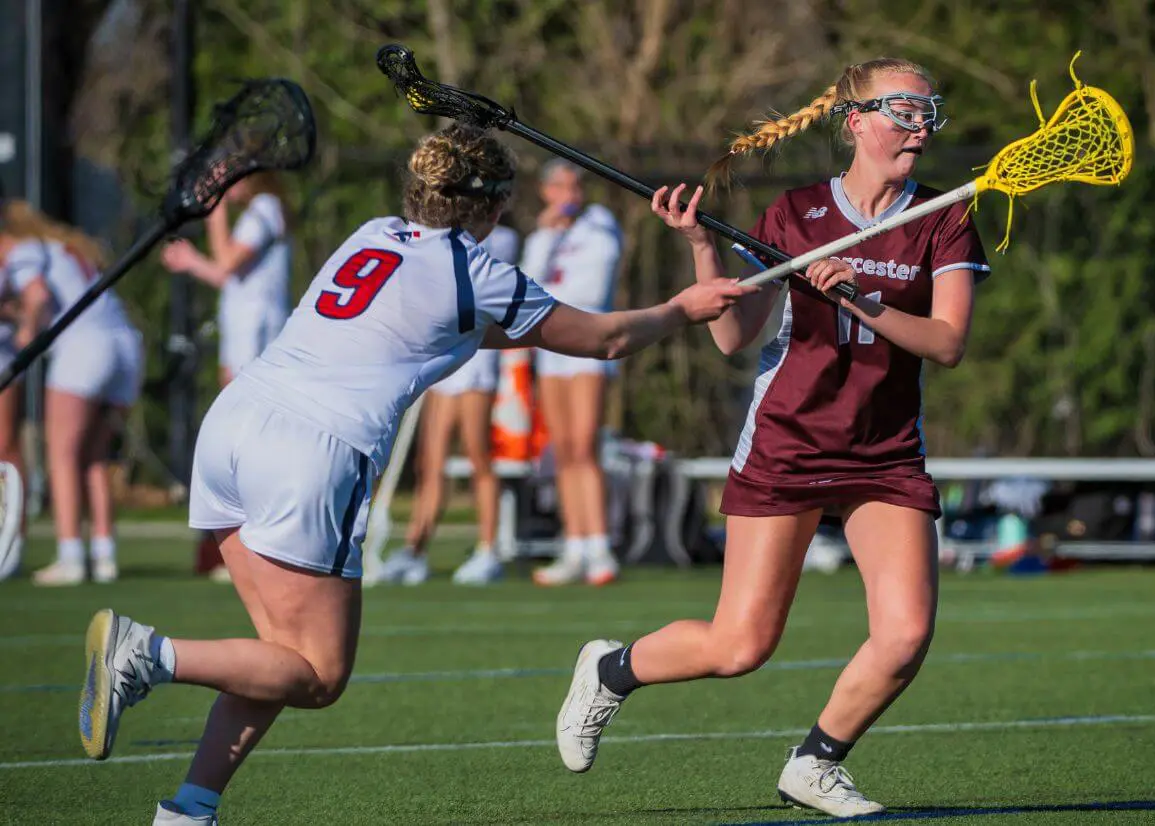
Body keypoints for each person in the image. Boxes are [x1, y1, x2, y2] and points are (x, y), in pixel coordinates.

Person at [77, 124, 750, 825]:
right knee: (316, 674)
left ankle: (188, 810)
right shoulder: (473, 268)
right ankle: (146, 654)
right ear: (489, 207)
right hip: (313, 451)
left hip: (233, 425)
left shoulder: (373, 233)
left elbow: (444, 325)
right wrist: (680, 311)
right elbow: (604, 340)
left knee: (272, 656)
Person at [553, 58, 990, 818]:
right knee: (740, 647)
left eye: (929, 112)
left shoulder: (943, 216)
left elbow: (947, 342)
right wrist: (699, 248)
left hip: (883, 452)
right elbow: (735, 336)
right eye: (903, 110)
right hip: (788, 441)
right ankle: (612, 669)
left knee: (905, 634)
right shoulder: (793, 216)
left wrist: (857, 296)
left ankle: (816, 763)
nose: (921, 125)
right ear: (855, 121)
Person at [0, 200, 144, 586]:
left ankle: (70, 557)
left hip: (84, 348)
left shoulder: (22, 250)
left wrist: (27, 338)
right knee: (94, 457)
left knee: (61, 453)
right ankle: (104, 555)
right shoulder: (62, 248)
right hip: (124, 343)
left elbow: (39, 297)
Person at [160, 171, 293, 579]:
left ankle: (254, 543)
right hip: (242, 342)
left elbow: (226, 261)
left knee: (247, 442)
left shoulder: (264, 209)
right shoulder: (255, 214)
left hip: (257, 342)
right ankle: (232, 544)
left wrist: (213, 212)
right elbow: (229, 275)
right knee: (237, 442)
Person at [380, 223, 521, 586]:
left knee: (477, 453)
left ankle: (488, 550)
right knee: (430, 460)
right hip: (445, 353)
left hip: (475, 355)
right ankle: (415, 549)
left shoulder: (502, 237)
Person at [520, 159, 624, 586]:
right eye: (561, 186)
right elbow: (527, 284)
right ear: (547, 192)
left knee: (584, 445)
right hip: (552, 347)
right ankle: (574, 544)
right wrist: (546, 235)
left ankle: (599, 545)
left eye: (575, 185)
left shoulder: (599, 224)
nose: (570, 194)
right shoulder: (543, 234)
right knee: (562, 449)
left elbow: (594, 284)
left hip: (588, 340)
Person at [0, 198, 56, 581]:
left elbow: (34, 298)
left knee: (4, 445)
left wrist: (25, 330)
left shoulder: (14, 249)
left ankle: (11, 544)